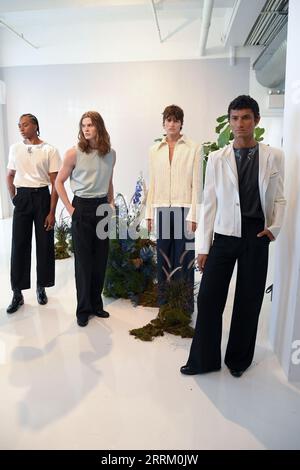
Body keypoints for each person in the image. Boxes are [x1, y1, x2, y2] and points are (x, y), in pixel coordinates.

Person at [181, 95, 286, 378]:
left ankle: (238, 360)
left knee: (248, 299)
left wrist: (272, 229)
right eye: (235, 118)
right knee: (209, 297)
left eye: (246, 118)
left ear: (256, 121)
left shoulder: (274, 156)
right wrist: (203, 247)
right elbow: (209, 203)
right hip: (224, 236)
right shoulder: (217, 158)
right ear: (229, 122)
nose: (240, 124)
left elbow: (279, 199)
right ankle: (204, 360)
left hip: (256, 236)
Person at [55, 111, 115, 327]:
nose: (86, 129)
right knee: (83, 263)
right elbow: (58, 182)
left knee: (100, 260)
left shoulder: (110, 154)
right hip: (82, 207)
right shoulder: (73, 154)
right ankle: (83, 309)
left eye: (90, 125)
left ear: (99, 126)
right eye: (83, 125)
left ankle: (96, 305)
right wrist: (71, 209)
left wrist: (111, 202)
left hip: (102, 209)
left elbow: (109, 180)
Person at [145, 105, 202, 310]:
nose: (172, 124)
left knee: (184, 257)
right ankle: (164, 301)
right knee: (163, 256)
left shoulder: (193, 148)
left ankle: (185, 305)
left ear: (181, 123)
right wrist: (149, 214)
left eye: (176, 120)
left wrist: (194, 215)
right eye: (168, 120)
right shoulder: (154, 150)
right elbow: (153, 184)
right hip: (161, 209)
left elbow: (197, 184)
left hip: (184, 209)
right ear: (163, 123)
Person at [6, 114, 61, 313]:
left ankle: (41, 286)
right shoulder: (15, 148)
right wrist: (14, 198)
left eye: (25, 124)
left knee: (44, 243)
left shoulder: (50, 150)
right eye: (19, 125)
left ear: (36, 126)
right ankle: (17, 293)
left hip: (42, 198)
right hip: (22, 196)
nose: (21, 128)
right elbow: (10, 175)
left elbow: (55, 183)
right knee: (19, 244)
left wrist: (52, 211)